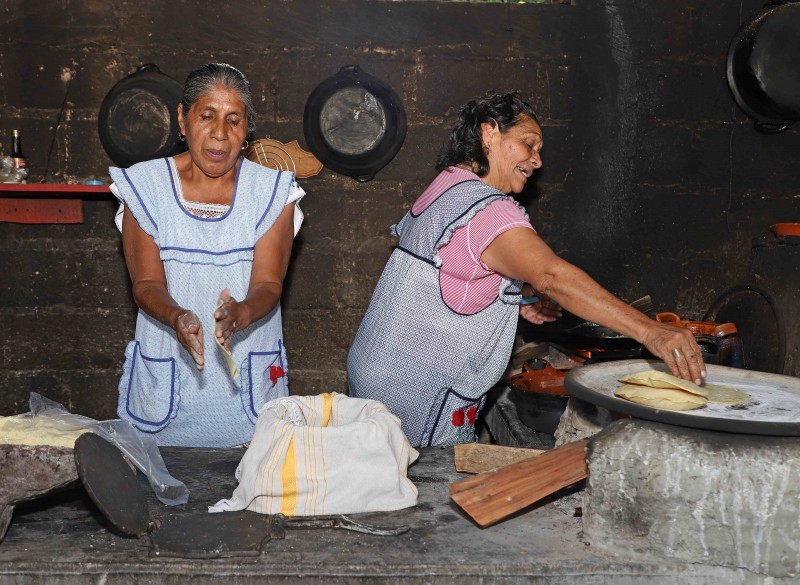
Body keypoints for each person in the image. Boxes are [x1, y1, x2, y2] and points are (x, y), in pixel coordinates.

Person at [347, 91, 706, 448]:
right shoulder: (488, 209)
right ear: (489, 134)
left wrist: (516, 298)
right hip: (420, 390)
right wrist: (650, 332)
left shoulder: (446, 189)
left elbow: (453, 271)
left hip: (378, 369)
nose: (536, 161)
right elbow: (551, 275)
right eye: (529, 144)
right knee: (426, 487)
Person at [109, 63, 304, 447]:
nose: (219, 134)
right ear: (183, 120)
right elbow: (146, 283)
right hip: (167, 390)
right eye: (207, 116)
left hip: (247, 391)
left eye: (234, 120)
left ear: (248, 130)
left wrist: (242, 312)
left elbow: (267, 282)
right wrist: (176, 316)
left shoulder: (272, 192)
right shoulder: (145, 187)